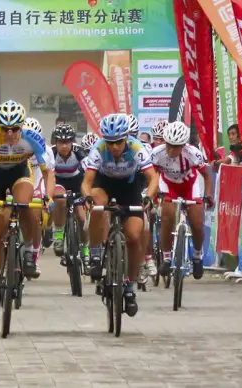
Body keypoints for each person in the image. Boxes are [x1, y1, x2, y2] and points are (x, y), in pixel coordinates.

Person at [0, 100, 54, 321]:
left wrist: (48, 196)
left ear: (21, 126)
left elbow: (48, 172)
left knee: (25, 204)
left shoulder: (33, 138)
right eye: (4, 129)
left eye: (14, 129)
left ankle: (28, 249)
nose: (9, 134)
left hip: (19, 173)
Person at [81, 114, 158, 318]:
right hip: (104, 185)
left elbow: (152, 178)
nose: (114, 147)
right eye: (110, 142)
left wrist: (148, 197)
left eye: (118, 142)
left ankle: (130, 286)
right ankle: (96, 254)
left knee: (134, 236)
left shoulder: (136, 148)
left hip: (130, 188)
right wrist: (86, 196)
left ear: (126, 138)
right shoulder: (98, 149)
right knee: (97, 204)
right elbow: (87, 181)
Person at [149, 121, 213, 280]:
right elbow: (152, 175)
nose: (170, 149)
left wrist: (208, 196)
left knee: (197, 224)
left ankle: (197, 256)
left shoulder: (193, 153)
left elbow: (206, 175)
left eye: (175, 146)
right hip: (168, 185)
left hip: (189, 186)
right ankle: (166, 257)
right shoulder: (157, 153)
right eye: (168, 145)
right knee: (167, 216)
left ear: (183, 145)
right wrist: (154, 193)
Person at [49, 124, 90, 269]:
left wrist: (87, 195)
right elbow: (46, 175)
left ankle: (85, 249)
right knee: (60, 199)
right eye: (61, 142)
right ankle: (59, 233)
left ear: (72, 142)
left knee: (82, 219)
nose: (64, 146)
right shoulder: (51, 152)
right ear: (56, 142)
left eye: (67, 142)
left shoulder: (79, 152)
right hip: (58, 183)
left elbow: (89, 173)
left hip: (77, 184)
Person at [23, 117, 55, 278]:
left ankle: (33, 255)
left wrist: (48, 196)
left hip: (37, 180)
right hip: (21, 179)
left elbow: (49, 175)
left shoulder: (46, 150)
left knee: (35, 216)